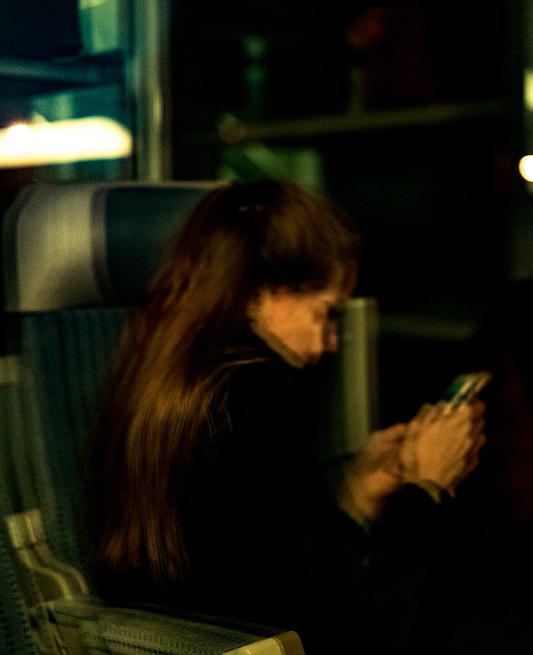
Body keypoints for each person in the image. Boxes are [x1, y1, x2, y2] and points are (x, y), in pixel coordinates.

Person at [88, 179, 485, 655]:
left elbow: (277, 573)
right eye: (325, 313)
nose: (330, 342)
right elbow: (364, 632)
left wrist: (358, 496)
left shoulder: (169, 385)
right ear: (258, 292)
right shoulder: (257, 397)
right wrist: (428, 487)